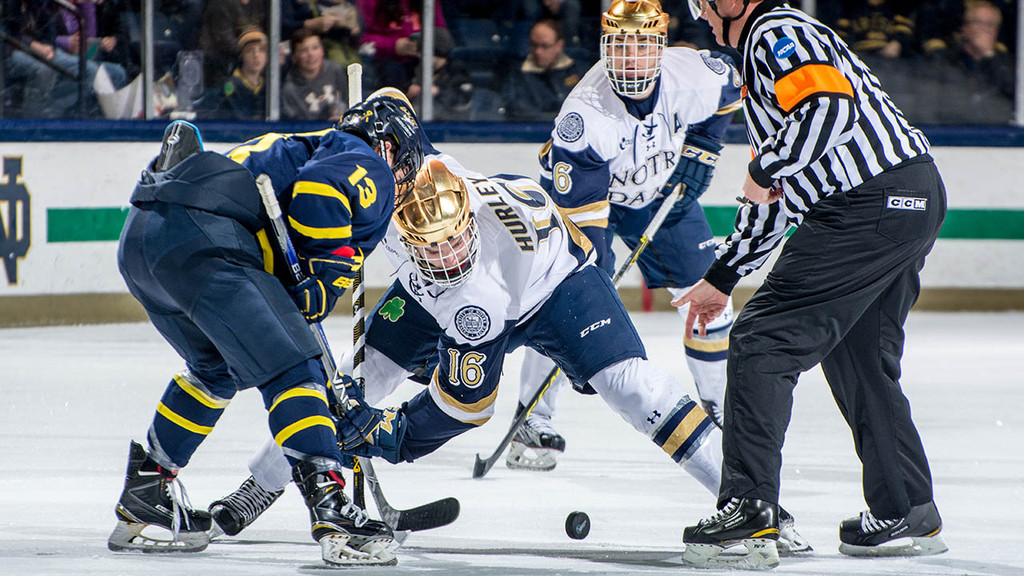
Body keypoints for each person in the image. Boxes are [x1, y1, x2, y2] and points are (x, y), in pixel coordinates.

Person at [675, 0, 948, 569]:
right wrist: (722, 277)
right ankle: (905, 508)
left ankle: (748, 511)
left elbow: (829, 109)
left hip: (864, 203)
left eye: (706, 1)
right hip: (910, 195)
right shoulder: (767, 70)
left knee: (761, 340)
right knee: (860, 358)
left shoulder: (776, 31)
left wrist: (763, 168)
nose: (700, 13)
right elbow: (777, 196)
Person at [107, 91, 424, 567]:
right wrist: (327, 276)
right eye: (405, 165)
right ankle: (332, 508)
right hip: (205, 237)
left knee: (215, 371)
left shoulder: (303, 146)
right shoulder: (364, 157)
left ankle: (149, 486)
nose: (402, 179)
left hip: (144, 239)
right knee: (298, 372)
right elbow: (319, 192)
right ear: (391, 146)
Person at [511, 0, 743, 473]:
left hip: (661, 196)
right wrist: (591, 309)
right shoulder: (584, 115)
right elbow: (586, 229)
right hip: (591, 202)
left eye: (641, 44)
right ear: (604, 45)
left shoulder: (693, 73)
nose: (630, 57)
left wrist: (704, 148)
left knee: (714, 298)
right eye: (619, 44)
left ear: (660, 46)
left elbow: (731, 87)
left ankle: (720, 412)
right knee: (563, 301)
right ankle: (532, 419)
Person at [500, 18, 589, 122]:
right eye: (534, 45)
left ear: (559, 45)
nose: (538, 51)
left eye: (544, 46)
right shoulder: (515, 76)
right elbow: (522, 113)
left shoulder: (579, 72)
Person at [282, 29, 350, 121]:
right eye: (304, 50)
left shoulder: (335, 70)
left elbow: (347, 100)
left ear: (322, 51)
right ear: (294, 57)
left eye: (315, 48)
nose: (310, 54)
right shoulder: (290, 88)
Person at [406, 27, 473, 120]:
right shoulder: (415, 69)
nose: (418, 55)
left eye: (421, 51)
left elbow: (461, 98)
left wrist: (435, 91)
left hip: (450, 127)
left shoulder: (456, 70)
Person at [217, 28, 269, 120]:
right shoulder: (230, 85)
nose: (256, 55)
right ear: (242, 56)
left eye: (261, 50)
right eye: (249, 51)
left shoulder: (268, 86)